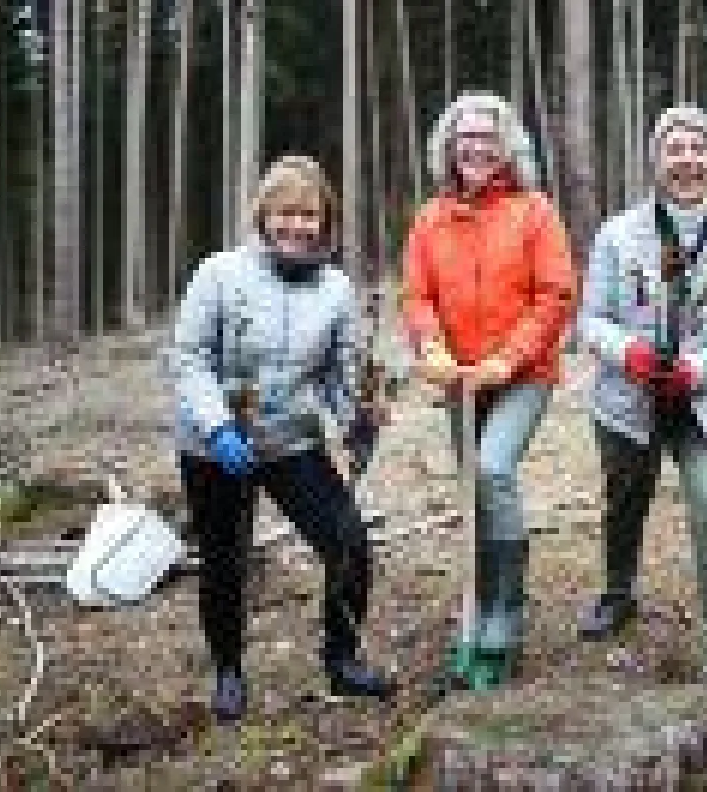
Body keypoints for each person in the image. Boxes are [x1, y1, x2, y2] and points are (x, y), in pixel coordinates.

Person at [167, 154, 394, 723]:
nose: (298, 226)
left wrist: (360, 418)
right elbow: (188, 357)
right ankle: (228, 670)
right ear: (263, 216)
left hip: (291, 441)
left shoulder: (337, 290)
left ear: (326, 220)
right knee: (225, 561)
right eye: (285, 213)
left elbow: (342, 375)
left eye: (310, 215)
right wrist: (216, 425)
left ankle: (342, 659)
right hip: (216, 444)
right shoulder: (220, 273)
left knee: (348, 543)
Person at [576, 105, 707, 685]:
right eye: (674, 149)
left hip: (706, 403)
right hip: (629, 398)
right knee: (625, 501)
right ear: (656, 161)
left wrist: (700, 367)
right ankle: (618, 592)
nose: (687, 160)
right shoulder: (616, 234)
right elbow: (591, 319)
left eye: (698, 149)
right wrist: (630, 354)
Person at [401, 92, 577, 690]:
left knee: (494, 468)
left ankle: (507, 608)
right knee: (473, 489)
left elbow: (554, 295)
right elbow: (418, 296)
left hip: (522, 375)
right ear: (448, 149)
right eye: (462, 138)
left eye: (486, 137)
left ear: (507, 148)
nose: (474, 147)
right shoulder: (430, 217)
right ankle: (474, 611)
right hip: (459, 378)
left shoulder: (535, 211)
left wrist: (509, 359)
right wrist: (430, 347)